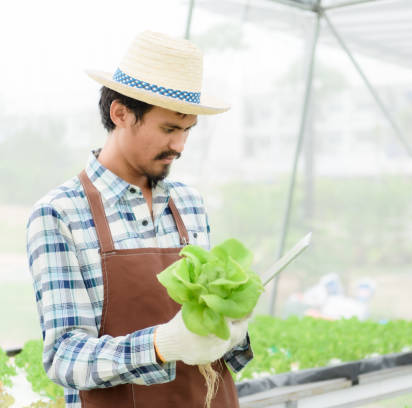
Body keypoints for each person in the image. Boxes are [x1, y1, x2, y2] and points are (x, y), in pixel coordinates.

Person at [25, 31, 251, 408]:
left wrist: (232, 330)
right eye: (169, 129)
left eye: (187, 131)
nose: (179, 146)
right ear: (120, 113)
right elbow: (64, 356)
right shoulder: (60, 213)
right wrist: (160, 345)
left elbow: (210, 330)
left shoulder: (190, 203)